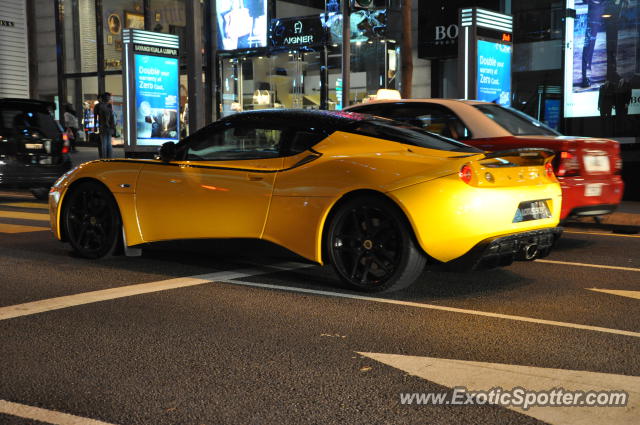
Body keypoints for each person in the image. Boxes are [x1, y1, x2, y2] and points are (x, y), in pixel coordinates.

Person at [93, 92, 115, 158]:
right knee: (105, 143)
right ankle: (105, 158)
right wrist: (95, 126)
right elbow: (95, 116)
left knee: (107, 143)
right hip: (103, 126)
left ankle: (108, 157)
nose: (109, 98)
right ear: (104, 97)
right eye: (108, 97)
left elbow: (112, 116)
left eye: (109, 97)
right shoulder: (98, 106)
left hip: (108, 126)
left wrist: (113, 126)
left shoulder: (109, 105)